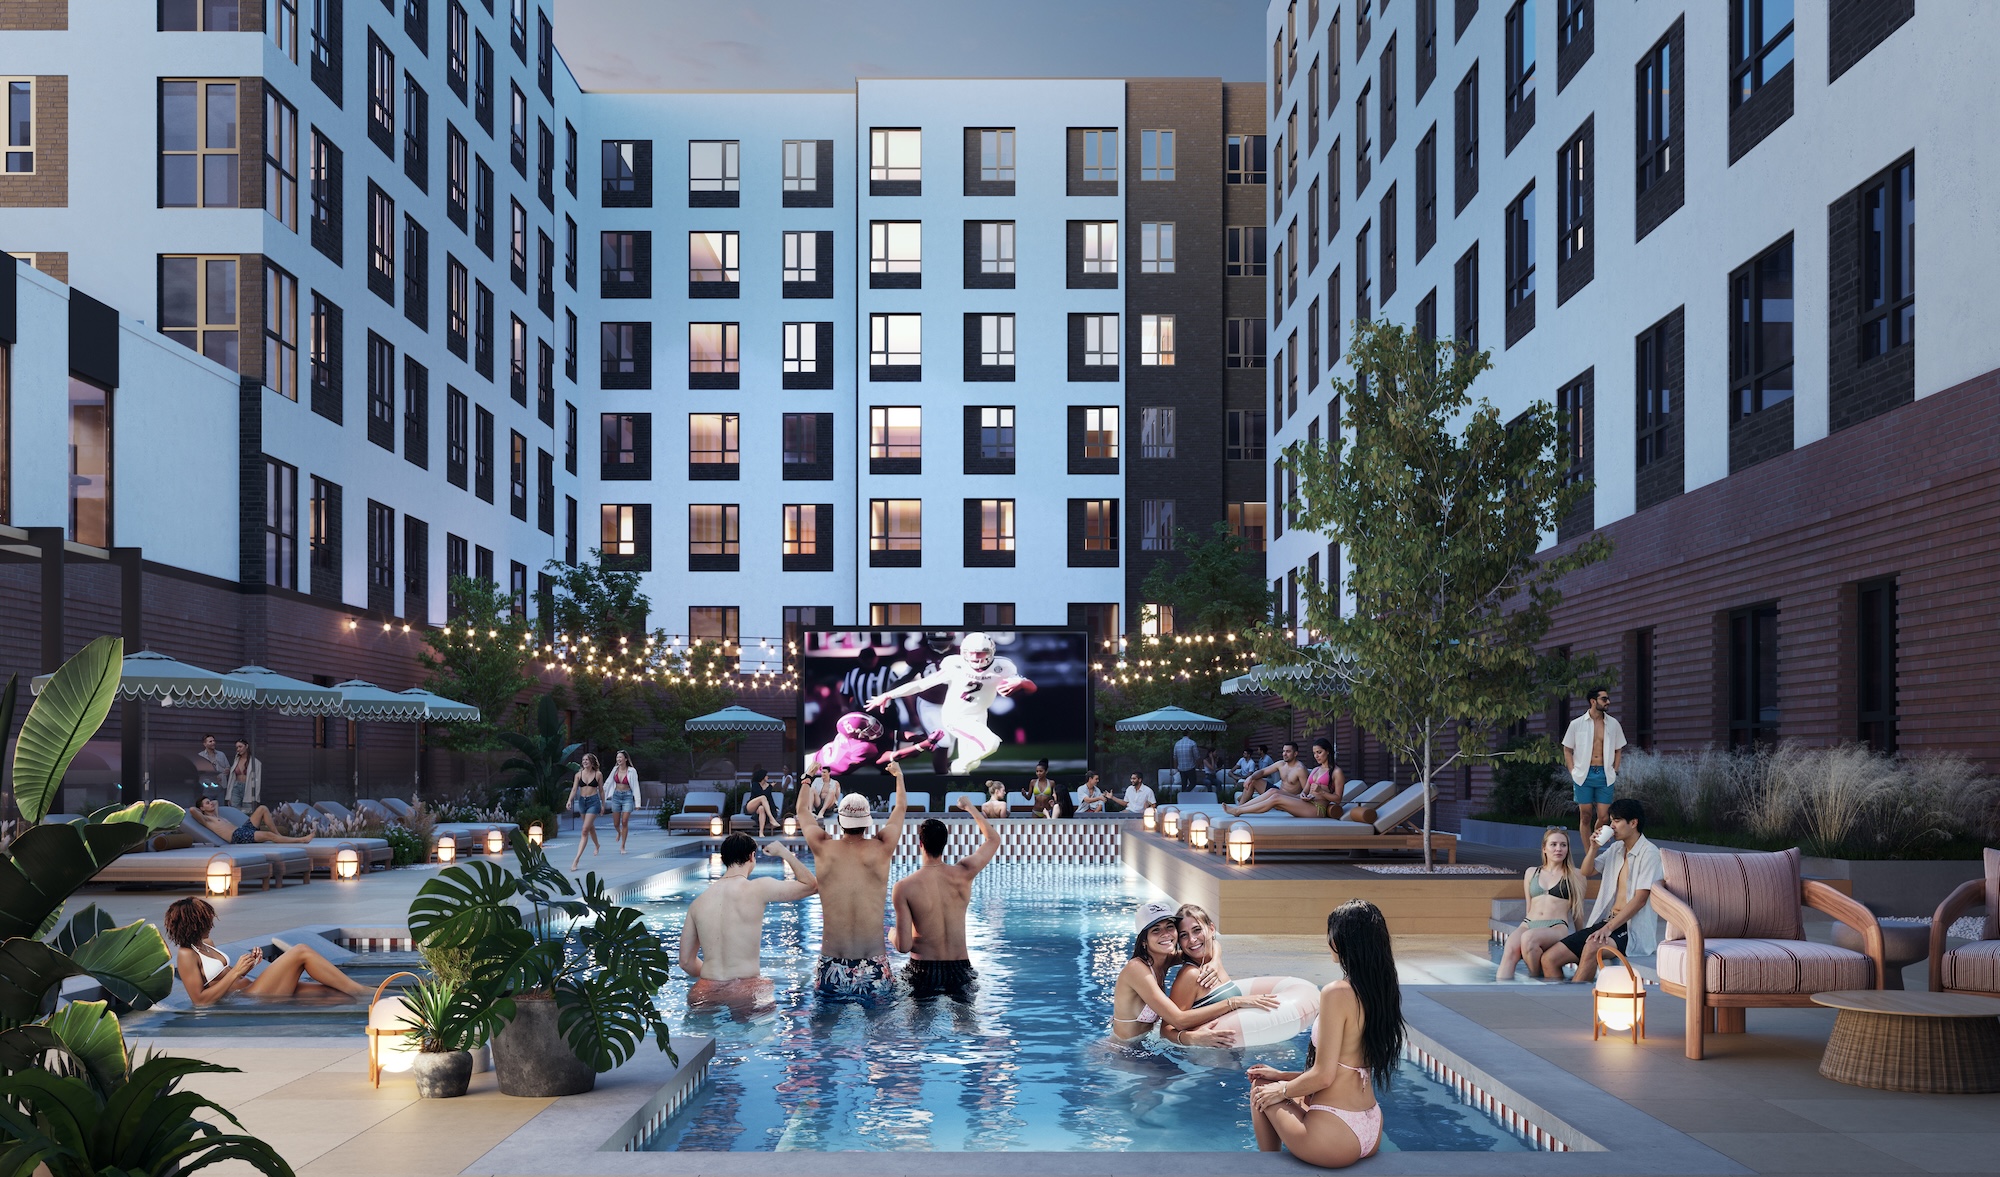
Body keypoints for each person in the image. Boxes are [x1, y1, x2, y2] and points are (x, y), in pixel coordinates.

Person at [1245, 900, 1406, 1167]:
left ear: (1343, 941)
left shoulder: (1337, 992)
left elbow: (1324, 1076)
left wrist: (1280, 1089)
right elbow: (1344, 1069)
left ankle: (1269, 1167)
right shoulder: (1380, 993)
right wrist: (1282, 1075)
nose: (1328, 940)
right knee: (1276, 1085)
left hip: (1335, 1137)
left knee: (1261, 1089)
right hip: (1370, 1126)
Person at [800, 759, 909, 1000]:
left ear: (840, 821)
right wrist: (899, 776)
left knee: (825, 1023)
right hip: (874, 963)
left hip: (832, 963)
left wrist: (807, 780)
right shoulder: (882, 847)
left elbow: (802, 812)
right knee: (881, 1023)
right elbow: (900, 809)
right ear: (867, 822)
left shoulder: (823, 847)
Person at [678, 833, 818, 1012]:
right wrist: (784, 852)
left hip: (704, 990)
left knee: (703, 1029)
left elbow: (686, 962)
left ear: (723, 859)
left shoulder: (698, 903)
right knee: (758, 1027)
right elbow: (811, 885)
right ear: (752, 856)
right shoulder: (758, 888)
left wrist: (715, 981)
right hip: (746, 988)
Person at [1111, 899, 1281, 1046]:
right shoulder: (1136, 969)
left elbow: (1210, 945)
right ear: (1143, 940)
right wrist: (1234, 1002)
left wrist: (1215, 962)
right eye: (1156, 930)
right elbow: (1178, 1019)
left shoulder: (1165, 960)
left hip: (1146, 1044)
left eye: (1169, 927)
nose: (1165, 934)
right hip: (1123, 1050)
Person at [864, 632, 1036, 776]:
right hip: (956, 716)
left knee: (974, 761)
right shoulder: (955, 665)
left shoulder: (1003, 666)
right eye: (971, 653)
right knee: (991, 743)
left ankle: (957, 784)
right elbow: (921, 684)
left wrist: (1021, 683)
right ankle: (954, 767)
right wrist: (888, 695)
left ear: (991, 652)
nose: (975, 657)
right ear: (963, 652)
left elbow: (1032, 688)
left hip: (979, 714)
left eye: (981, 653)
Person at [1539, 798, 1663, 982]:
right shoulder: (1616, 848)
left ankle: (1576, 997)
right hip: (1608, 922)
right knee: (1549, 958)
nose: (1611, 826)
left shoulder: (1650, 854)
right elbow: (1587, 871)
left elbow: (1640, 900)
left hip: (1631, 929)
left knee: (1592, 947)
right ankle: (1565, 995)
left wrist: (1608, 928)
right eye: (1611, 821)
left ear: (1633, 823)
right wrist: (1593, 848)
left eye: (1616, 821)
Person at [891, 796, 1001, 1001]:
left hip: (923, 970)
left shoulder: (904, 887)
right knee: (966, 1017)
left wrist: (892, 934)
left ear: (920, 843)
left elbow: (903, 946)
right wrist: (969, 807)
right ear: (945, 844)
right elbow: (993, 839)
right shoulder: (964, 873)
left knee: (919, 1019)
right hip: (960, 968)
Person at [166, 897, 367, 1005]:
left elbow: (223, 977)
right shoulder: (186, 955)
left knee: (334, 994)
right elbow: (200, 1000)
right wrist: (236, 973)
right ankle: (362, 991)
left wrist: (247, 967)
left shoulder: (207, 943)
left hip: (252, 986)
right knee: (301, 951)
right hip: (248, 998)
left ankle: (367, 1004)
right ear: (193, 925)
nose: (212, 924)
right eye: (207, 921)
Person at [1168, 905, 1320, 1048]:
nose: (1192, 939)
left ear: (1211, 929)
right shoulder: (1191, 975)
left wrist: (1216, 960)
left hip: (1230, 1049)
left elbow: (1215, 944)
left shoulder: (1212, 959)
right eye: (1184, 935)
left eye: (1197, 930)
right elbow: (1169, 1027)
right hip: (1206, 1055)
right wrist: (1234, 1002)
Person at [1496, 828, 1585, 981]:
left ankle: (1535, 979)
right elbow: (1529, 905)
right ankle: (1498, 989)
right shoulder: (1531, 872)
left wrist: (1580, 939)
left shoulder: (1576, 874)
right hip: (1529, 923)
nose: (1558, 849)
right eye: (1553, 844)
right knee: (1510, 948)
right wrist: (1525, 926)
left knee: (1528, 938)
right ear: (1544, 848)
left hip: (1556, 926)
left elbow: (1578, 911)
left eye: (1563, 845)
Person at [1562, 686, 1627, 849]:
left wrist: (1615, 770)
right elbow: (1567, 749)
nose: (1608, 702)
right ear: (1593, 701)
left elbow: (1618, 749)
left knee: (1604, 817)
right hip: (1583, 774)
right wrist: (1572, 771)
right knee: (1585, 816)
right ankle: (1589, 854)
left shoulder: (1613, 724)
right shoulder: (1576, 724)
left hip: (1605, 774)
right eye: (1604, 699)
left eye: (1608, 699)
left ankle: (1593, 846)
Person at [1227, 741, 1313, 816]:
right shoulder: (1281, 764)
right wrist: (1250, 777)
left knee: (1273, 791)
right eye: (1283, 751)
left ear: (1295, 754)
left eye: (1288, 751)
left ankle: (1239, 809)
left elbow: (1305, 792)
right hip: (1278, 793)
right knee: (1253, 781)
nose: (1284, 754)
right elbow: (1263, 771)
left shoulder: (1300, 769)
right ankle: (1238, 808)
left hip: (1289, 800)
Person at [191, 797, 311, 844]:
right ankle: (301, 840)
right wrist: (201, 810)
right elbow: (192, 810)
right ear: (202, 808)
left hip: (243, 829)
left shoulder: (216, 815)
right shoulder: (206, 819)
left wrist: (209, 806)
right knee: (268, 835)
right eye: (207, 803)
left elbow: (216, 802)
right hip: (237, 837)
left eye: (210, 801)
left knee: (262, 808)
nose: (211, 803)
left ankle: (278, 835)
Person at [566, 753, 604, 871]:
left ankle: (576, 860)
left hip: (594, 802)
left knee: (584, 830)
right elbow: (574, 789)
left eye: (587, 760)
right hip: (582, 802)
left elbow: (601, 790)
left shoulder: (598, 774)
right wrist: (569, 800)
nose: (585, 762)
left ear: (592, 762)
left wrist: (603, 804)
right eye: (583, 760)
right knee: (590, 827)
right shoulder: (578, 775)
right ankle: (597, 845)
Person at [604, 749, 640, 852]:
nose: (618, 759)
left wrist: (637, 803)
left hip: (627, 796)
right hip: (616, 796)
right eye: (617, 757)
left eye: (620, 757)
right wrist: (602, 794)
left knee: (624, 821)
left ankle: (623, 846)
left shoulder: (632, 771)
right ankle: (619, 832)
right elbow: (608, 782)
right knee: (616, 823)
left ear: (626, 759)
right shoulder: (615, 769)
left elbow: (636, 786)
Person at [741, 767, 783, 837]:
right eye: (766, 775)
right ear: (762, 776)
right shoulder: (755, 784)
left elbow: (769, 798)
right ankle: (771, 819)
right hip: (751, 806)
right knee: (762, 797)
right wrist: (770, 787)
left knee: (761, 808)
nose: (768, 777)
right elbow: (760, 795)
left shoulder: (767, 786)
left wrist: (774, 807)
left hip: (759, 807)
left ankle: (761, 832)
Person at [225, 740, 263, 807]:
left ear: (246, 746)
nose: (238, 749)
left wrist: (256, 798)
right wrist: (229, 796)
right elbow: (231, 779)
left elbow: (257, 781)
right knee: (234, 808)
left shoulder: (255, 762)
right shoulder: (236, 760)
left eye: (240, 747)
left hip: (248, 787)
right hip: (236, 786)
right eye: (237, 747)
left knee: (247, 809)